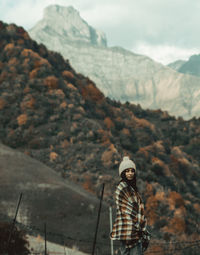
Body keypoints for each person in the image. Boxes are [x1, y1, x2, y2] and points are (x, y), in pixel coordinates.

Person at [110, 156, 150, 255]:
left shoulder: (133, 190)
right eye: (127, 171)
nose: (130, 173)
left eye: (132, 171)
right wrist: (137, 226)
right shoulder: (122, 188)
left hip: (129, 230)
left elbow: (137, 209)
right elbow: (126, 210)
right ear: (123, 173)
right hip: (128, 229)